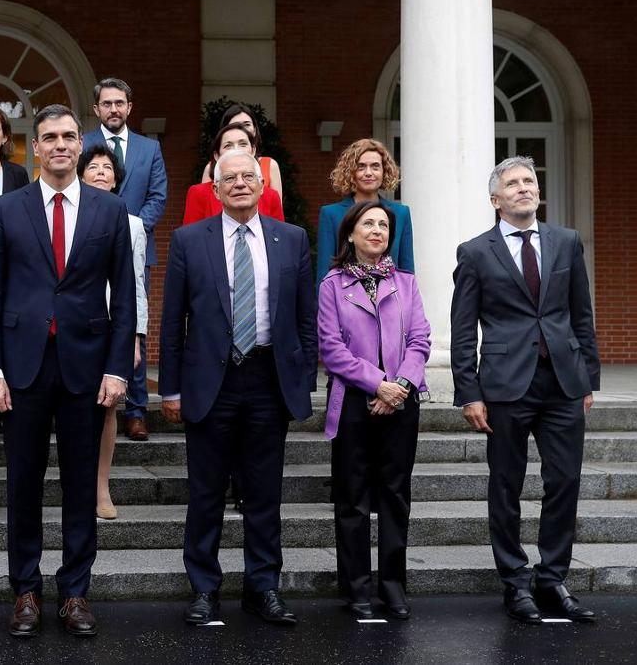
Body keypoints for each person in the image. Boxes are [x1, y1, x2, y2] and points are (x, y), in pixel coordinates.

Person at [0, 104, 136, 638]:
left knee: (78, 486)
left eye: (70, 135)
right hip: (21, 368)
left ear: (80, 142)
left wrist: (119, 370)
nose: (62, 144)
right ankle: (25, 590)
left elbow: (127, 298)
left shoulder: (109, 212)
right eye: (51, 137)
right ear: (35, 147)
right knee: (23, 484)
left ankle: (74, 592)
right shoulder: (5, 210)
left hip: (86, 369)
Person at [160, 149, 316, 627]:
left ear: (263, 186)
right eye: (231, 178)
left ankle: (263, 587)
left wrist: (303, 378)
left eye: (250, 176)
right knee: (205, 492)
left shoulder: (292, 240)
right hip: (211, 381)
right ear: (216, 188)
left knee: (265, 493)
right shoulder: (189, 240)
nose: (241, 184)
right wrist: (170, 388)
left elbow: (306, 319)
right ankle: (204, 589)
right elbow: (173, 321)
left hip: (269, 380)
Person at [450, 156, 600, 624]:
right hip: (504, 386)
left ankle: (553, 579)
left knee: (565, 481)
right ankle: (515, 583)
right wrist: (468, 391)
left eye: (529, 181)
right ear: (495, 199)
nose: (523, 188)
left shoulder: (567, 242)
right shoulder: (475, 252)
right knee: (506, 485)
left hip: (562, 382)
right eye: (512, 184)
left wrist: (588, 379)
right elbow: (461, 328)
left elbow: (581, 314)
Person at [318, 200, 431, 620]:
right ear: (350, 233)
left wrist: (399, 385)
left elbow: (420, 339)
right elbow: (331, 348)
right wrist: (377, 383)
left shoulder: (406, 283)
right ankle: (357, 589)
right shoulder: (332, 285)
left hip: (401, 401)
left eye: (384, 225)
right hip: (353, 401)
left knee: (395, 496)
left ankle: (393, 586)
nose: (377, 231)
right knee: (352, 499)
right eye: (368, 223)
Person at [83, 78, 165, 442]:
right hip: (84, 250)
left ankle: (136, 411)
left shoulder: (150, 149)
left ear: (129, 107)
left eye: (120, 103)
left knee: (134, 325)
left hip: (135, 248)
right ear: (97, 108)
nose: (113, 109)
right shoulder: (83, 144)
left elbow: (158, 197)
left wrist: (125, 227)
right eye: (106, 103)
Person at [77, 144, 147, 520]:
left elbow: (136, 283)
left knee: (106, 408)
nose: (101, 172)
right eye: (94, 166)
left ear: (117, 178)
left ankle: (101, 487)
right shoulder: (65, 211)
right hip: (70, 325)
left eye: (108, 167)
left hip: (111, 325)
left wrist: (134, 336)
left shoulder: (131, 223)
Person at [316, 138, 413, 285]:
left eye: (375, 166)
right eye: (361, 167)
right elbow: (324, 274)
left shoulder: (401, 213)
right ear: (351, 172)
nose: (368, 173)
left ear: (384, 170)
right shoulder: (331, 214)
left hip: (392, 301)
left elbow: (407, 271)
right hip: (345, 303)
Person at [183, 122, 284, 225]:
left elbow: (278, 235)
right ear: (217, 155)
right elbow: (191, 237)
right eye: (228, 145)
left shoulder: (271, 196)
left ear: (253, 150)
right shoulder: (198, 193)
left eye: (243, 144)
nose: (236, 149)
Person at [200, 104, 284, 198]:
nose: (242, 129)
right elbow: (204, 202)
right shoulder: (211, 167)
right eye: (234, 125)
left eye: (247, 124)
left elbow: (276, 208)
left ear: (255, 130)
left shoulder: (270, 165)